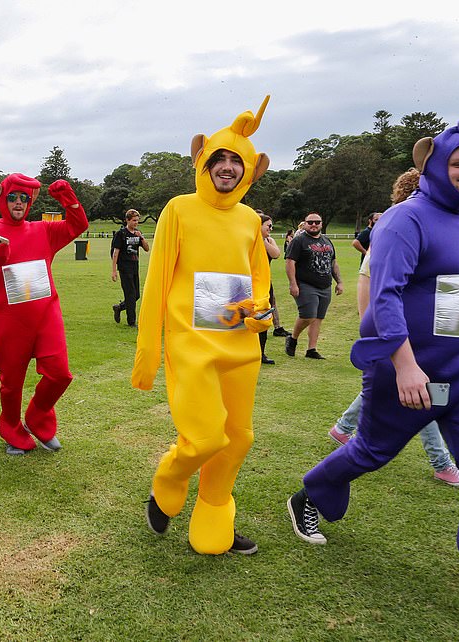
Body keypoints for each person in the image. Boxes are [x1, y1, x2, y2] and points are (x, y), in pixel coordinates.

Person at [287, 118, 459, 607]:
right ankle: (310, 494)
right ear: (436, 166)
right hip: (409, 370)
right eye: (458, 162)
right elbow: (384, 295)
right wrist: (404, 364)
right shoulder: (406, 218)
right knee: (372, 451)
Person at [133, 97, 274, 555]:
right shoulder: (178, 209)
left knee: (237, 438)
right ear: (204, 162)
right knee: (205, 436)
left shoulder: (252, 219)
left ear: (250, 171)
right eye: (221, 158)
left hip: (239, 345)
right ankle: (169, 477)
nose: (229, 167)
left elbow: (258, 277)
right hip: (191, 344)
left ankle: (216, 511)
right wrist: (148, 354)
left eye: (238, 161)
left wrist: (261, 311)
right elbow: (155, 283)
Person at [328, 170, 459, 487]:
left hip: (424, 333)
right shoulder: (394, 231)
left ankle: (343, 428)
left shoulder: (436, 233)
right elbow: (370, 288)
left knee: (396, 390)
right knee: (423, 395)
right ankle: (442, 463)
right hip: (396, 333)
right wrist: (377, 335)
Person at [0, 174, 88, 455]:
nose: (18, 203)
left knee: (60, 374)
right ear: (3, 199)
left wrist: (68, 198)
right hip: (8, 321)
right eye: (13, 197)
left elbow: (79, 225)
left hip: (45, 314)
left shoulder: (43, 230)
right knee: (11, 383)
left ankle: (38, 417)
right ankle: (12, 428)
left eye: (24, 198)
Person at [284, 212, 343, 359]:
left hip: (325, 285)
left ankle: (312, 349)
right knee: (308, 316)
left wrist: (339, 282)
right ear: (304, 224)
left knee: (318, 318)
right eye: (310, 222)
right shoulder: (299, 241)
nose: (314, 224)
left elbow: (333, 263)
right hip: (305, 284)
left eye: (317, 222)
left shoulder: (327, 241)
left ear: (321, 224)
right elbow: (290, 262)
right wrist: (293, 284)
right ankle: (293, 338)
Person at [257, 213, 288, 364]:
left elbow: (276, 254)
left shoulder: (268, 240)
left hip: (265, 284)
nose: (271, 228)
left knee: (264, 319)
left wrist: (262, 239)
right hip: (249, 284)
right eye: (268, 225)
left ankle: (261, 353)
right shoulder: (248, 240)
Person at [110, 208, 150, 327]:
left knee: (136, 295)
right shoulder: (121, 234)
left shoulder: (138, 233)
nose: (136, 223)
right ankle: (131, 322)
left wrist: (141, 237)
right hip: (124, 267)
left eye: (137, 220)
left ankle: (119, 307)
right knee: (130, 295)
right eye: (133, 220)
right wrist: (114, 270)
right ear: (127, 220)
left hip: (134, 267)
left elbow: (147, 249)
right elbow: (115, 252)